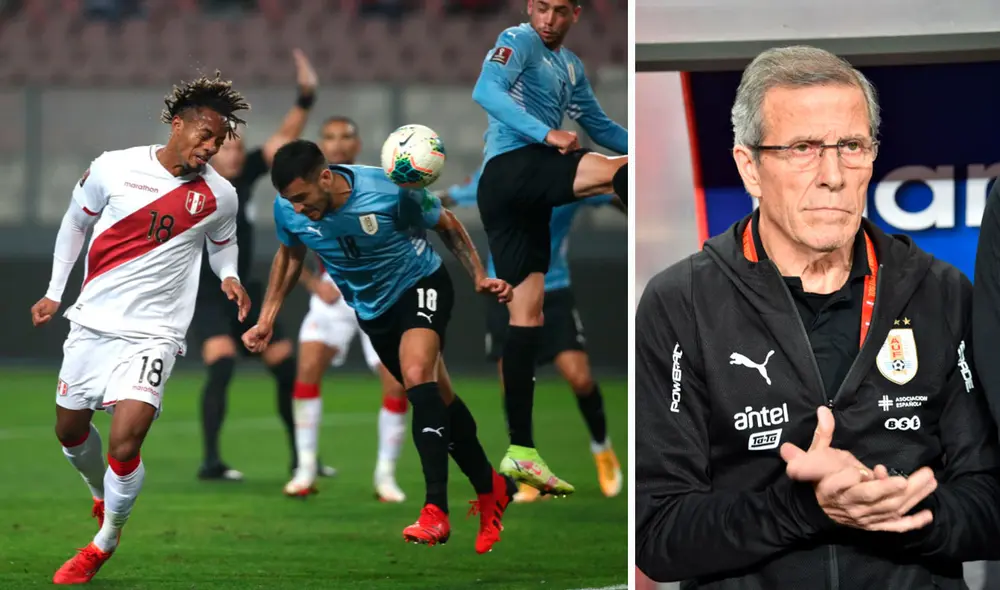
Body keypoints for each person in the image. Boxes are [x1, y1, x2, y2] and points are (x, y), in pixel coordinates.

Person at [635, 45, 1000, 588]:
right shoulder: (679, 302)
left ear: (873, 157)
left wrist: (898, 513)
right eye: (803, 148)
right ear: (749, 167)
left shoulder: (942, 292)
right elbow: (658, 535)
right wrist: (803, 508)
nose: (833, 175)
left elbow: (990, 504)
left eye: (851, 146)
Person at [243, 139, 517, 552]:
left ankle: (435, 510)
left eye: (301, 198)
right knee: (437, 399)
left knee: (415, 374)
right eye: (288, 201)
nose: (297, 208)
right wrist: (267, 318)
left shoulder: (390, 193)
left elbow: (448, 225)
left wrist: (478, 275)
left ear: (325, 176)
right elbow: (290, 254)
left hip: (420, 284)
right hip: (372, 310)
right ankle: (491, 487)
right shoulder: (290, 208)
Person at [33, 72, 251, 584]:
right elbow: (75, 223)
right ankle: (97, 492)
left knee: (125, 443)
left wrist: (232, 276)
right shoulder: (113, 167)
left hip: (155, 334)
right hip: (93, 323)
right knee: (69, 431)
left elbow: (224, 246)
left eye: (219, 142)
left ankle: (103, 542)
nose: (212, 148)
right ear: (178, 125)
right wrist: (53, 290)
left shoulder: (220, 195)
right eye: (205, 136)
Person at [471, 0, 628, 494]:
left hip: (523, 203)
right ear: (528, 8)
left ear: (575, 14)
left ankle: (521, 451)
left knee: (528, 318)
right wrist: (545, 132)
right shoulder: (517, 41)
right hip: (513, 170)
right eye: (540, 7)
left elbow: (600, 126)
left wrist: (640, 146)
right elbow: (484, 90)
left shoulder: (572, 67)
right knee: (621, 174)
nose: (548, 19)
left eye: (559, 11)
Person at [440, 170, 624, 501]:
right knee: (512, 382)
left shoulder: (571, 179)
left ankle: (603, 449)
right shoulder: (496, 174)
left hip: (554, 292)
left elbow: (614, 194)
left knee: (580, 378)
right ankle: (527, 468)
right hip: (505, 291)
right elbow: (448, 199)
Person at [191, 48, 329, 482]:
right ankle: (211, 461)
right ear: (208, 151)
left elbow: (281, 143)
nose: (233, 154)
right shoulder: (192, 183)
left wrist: (305, 99)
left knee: (286, 365)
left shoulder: (243, 176)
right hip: (205, 291)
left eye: (238, 147)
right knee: (223, 362)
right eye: (225, 147)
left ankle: (301, 460)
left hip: (242, 289)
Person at [284, 116, 407, 502]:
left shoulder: (375, 185)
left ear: (357, 145)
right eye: (329, 136)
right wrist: (312, 283)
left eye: (345, 137)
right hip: (334, 294)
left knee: (396, 382)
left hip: (383, 291)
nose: (337, 144)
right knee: (306, 370)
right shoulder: (307, 193)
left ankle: (385, 476)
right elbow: (289, 247)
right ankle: (305, 470)